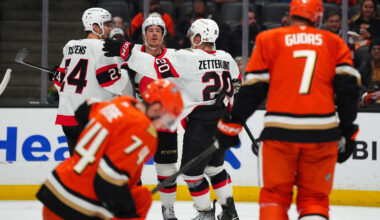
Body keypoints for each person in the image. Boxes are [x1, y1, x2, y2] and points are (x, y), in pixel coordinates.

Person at [215, 0, 361, 219]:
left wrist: (232, 123)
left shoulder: (269, 39)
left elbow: (253, 89)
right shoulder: (333, 42)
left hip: (280, 133)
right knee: (314, 200)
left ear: (290, 14)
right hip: (322, 134)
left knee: (274, 197)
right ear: (319, 17)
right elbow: (349, 89)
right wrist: (348, 131)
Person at [103, 18, 242, 220]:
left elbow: (154, 66)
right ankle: (230, 212)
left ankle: (205, 214)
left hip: (201, 124)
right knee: (215, 168)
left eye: (193, 36)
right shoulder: (226, 57)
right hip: (223, 119)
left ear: (199, 36)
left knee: (192, 175)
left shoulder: (189, 57)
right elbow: (237, 82)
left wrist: (124, 49)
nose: (191, 40)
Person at [36, 79, 184, 220]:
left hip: (55, 190)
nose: (166, 125)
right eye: (168, 118)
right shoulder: (145, 131)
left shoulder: (122, 102)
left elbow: (83, 110)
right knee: (141, 198)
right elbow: (108, 179)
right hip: (78, 207)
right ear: (156, 108)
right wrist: (128, 214)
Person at [52, 7, 131, 156]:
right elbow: (113, 84)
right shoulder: (103, 47)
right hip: (90, 118)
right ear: (95, 27)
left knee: (79, 168)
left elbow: (57, 82)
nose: (110, 28)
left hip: (68, 117)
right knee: (99, 169)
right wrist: (126, 69)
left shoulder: (70, 46)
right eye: (107, 25)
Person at [127, 15, 181, 220]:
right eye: (150, 30)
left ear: (163, 35)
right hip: (139, 118)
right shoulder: (132, 55)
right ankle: (134, 208)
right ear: (144, 35)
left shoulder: (175, 56)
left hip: (166, 119)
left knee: (166, 167)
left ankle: (168, 210)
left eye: (158, 30)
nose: (154, 33)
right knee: (134, 165)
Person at [359, 38, 380, 107]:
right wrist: (366, 93)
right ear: (370, 52)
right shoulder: (365, 65)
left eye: (378, 49)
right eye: (374, 49)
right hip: (368, 92)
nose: (376, 51)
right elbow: (359, 81)